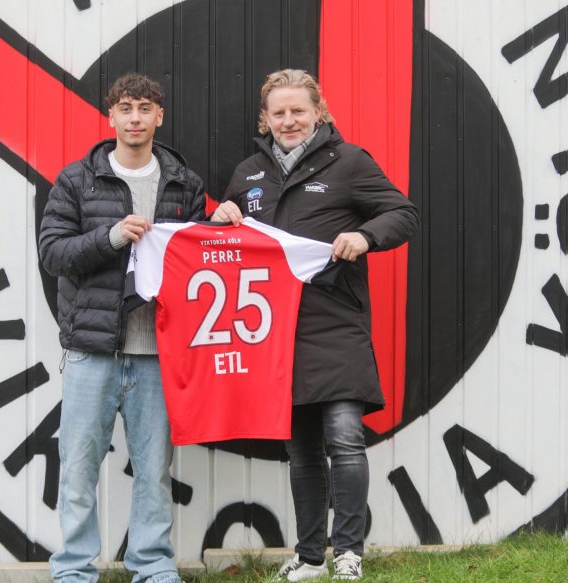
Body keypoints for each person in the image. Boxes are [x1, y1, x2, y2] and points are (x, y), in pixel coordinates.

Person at [213, 69, 419, 581]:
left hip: (335, 324)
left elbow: (403, 212)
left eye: (298, 111)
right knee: (301, 449)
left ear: (317, 114)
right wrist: (222, 219)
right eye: (278, 113)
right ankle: (309, 557)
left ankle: (348, 555)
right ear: (265, 118)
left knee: (345, 438)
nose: (288, 121)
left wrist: (366, 236)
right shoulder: (247, 174)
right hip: (273, 334)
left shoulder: (350, 162)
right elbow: (230, 247)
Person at [39, 73, 205, 583]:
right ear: (110, 116)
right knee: (78, 469)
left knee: (153, 471)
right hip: (92, 352)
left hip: (159, 354)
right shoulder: (76, 180)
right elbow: (53, 255)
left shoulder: (185, 184)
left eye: (145, 108)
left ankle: (153, 566)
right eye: (125, 108)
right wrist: (110, 237)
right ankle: (72, 569)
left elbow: (199, 262)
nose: (135, 117)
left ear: (160, 116)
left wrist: (222, 223)